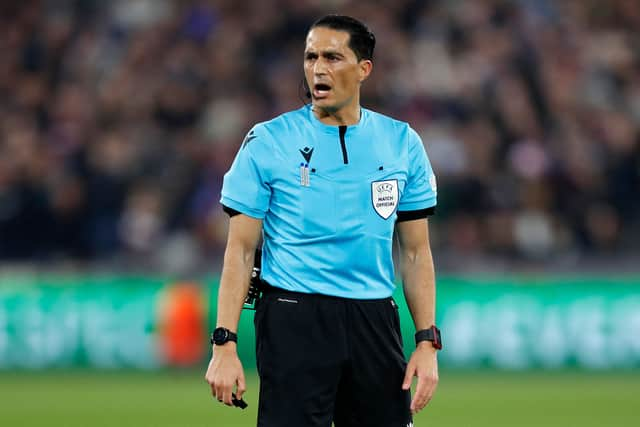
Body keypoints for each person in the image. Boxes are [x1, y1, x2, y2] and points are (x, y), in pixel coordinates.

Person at [205, 14, 440, 427]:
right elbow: (240, 251)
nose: (318, 68)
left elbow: (417, 253)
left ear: (363, 69)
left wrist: (426, 341)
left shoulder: (402, 142)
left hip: (375, 319)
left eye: (333, 57)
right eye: (311, 57)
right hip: (295, 316)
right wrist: (224, 343)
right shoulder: (268, 141)